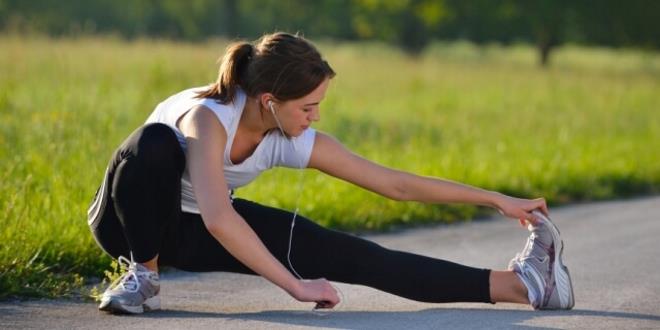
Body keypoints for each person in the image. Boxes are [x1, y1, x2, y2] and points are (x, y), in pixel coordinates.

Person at [87, 32, 574, 315]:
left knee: (351, 254)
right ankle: (142, 277)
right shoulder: (208, 118)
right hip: (127, 223)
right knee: (151, 144)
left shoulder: (286, 133)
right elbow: (218, 216)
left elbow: (394, 184)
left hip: (191, 230)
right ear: (270, 102)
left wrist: (496, 199)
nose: (315, 117)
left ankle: (524, 285)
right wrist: (295, 286)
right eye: (310, 106)